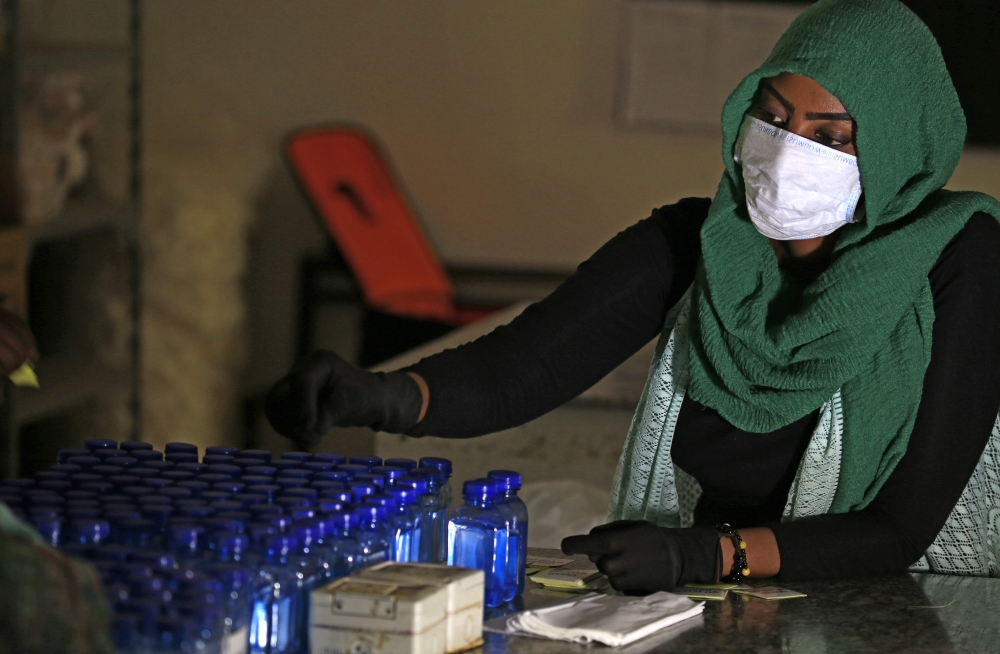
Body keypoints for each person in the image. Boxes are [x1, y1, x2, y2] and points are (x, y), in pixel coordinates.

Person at [265, 0, 1000, 592]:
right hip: (725, 601)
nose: (787, 151)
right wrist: (375, 396)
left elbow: (902, 529)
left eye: (830, 136)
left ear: (897, 150)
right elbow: (522, 369)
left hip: (908, 604)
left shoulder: (960, 257)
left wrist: (704, 555)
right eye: (774, 118)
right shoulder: (697, 241)